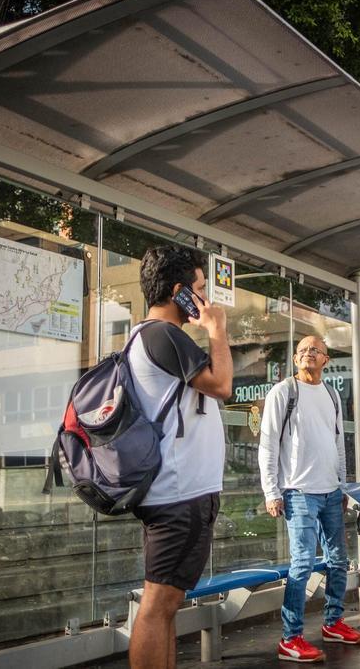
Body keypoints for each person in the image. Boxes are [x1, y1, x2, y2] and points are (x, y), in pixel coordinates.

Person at [127, 246, 232, 669]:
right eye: (200, 289)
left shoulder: (150, 336)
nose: (206, 299)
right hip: (179, 493)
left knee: (166, 602)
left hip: (179, 490)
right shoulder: (163, 334)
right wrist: (217, 328)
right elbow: (223, 384)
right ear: (179, 292)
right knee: (158, 603)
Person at [259, 336, 360, 663]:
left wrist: (342, 487)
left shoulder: (332, 394)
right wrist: (271, 491)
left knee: (337, 561)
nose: (307, 354)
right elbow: (268, 444)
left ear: (325, 359)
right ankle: (290, 638)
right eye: (301, 351)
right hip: (298, 493)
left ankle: (333, 622)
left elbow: (336, 443)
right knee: (302, 563)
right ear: (295, 360)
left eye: (313, 350)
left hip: (331, 493)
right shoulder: (283, 392)